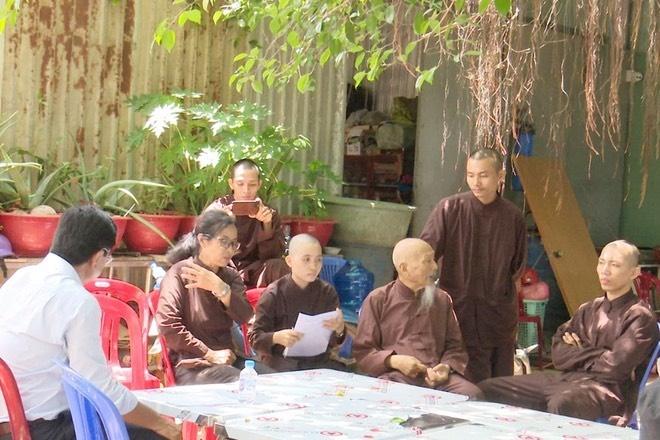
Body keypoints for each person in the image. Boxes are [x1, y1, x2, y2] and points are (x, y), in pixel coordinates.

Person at [0, 205, 180, 440]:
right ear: (99, 256)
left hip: (9, 421)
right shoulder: (78, 301)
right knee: (156, 435)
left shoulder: (21, 278)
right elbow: (100, 389)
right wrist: (163, 425)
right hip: (44, 429)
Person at [478, 240, 659, 422]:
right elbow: (558, 353)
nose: (605, 270)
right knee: (487, 389)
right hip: (566, 380)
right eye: (601, 262)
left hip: (607, 390)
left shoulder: (639, 316)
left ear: (634, 272)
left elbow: (615, 368)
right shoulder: (589, 309)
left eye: (615, 265)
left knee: (562, 403)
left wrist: (579, 352)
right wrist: (599, 355)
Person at [420, 148, 526, 383]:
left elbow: (517, 267)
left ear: (501, 175)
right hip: (458, 310)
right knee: (461, 383)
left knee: (499, 386)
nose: (475, 182)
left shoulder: (513, 217)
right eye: (470, 175)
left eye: (483, 175)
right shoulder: (449, 209)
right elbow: (424, 253)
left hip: (498, 315)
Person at [353, 238, 482, 399]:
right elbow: (363, 352)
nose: (435, 267)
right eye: (427, 261)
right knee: (389, 396)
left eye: (433, 260)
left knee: (472, 395)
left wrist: (446, 367)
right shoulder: (378, 299)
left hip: (437, 378)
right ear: (404, 268)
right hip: (397, 377)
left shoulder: (442, 299)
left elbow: (455, 347)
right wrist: (394, 361)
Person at [156, 209, 270, 385]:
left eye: (234, 244)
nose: (230, 250)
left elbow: (245, 315)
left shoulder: (230, 276)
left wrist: (221, 288)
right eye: (224, 242)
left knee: (275, 380)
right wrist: (208, 353)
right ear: (203, 240)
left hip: (229, 360)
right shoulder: (179, 273)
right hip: (193, 365)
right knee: (241, 383)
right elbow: (168, 325)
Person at [249, 234, 347, 372]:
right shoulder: (274, 294)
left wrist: (339, 330)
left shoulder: (327, 293)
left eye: (318, 260)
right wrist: (276, 337)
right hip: (281, 363)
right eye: (306, 259)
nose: (313, 266)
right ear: (289, 261)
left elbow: (333, 340)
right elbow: (254, 338)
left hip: (318, 362)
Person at [208, 159, 289, 287]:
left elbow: (275, 255)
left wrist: (267, 225)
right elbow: (201, 248)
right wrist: (223, 222)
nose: (246, 190)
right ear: (231, 184)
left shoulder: (268, 213)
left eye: (252, 184)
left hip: (254, 271)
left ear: (259, 184)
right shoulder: (218, 209)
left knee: (279, 267)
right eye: (240, 184)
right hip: (224, 269)